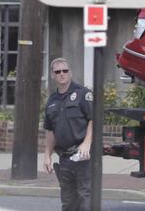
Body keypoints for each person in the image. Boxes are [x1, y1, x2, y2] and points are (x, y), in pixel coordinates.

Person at [43, 57, 93, 211]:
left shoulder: (82, 94)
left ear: (70, 72)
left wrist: (86, 143)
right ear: (53, 75)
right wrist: (47, 155)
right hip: (64, 158)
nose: (62, 74)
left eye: (65, 71)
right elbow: (50, 130)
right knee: (68, 201)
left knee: (85, 198)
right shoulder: (52, 100)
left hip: (82, 156)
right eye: (58, 72)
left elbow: (94, 119)